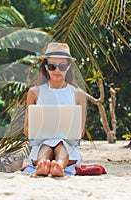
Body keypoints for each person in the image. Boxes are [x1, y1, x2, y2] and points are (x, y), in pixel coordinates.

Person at [23, 42, 87, 177]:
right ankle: (43, 164)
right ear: (46, 66)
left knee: (60, 143)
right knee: (47, 144)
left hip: (68, 146)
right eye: (52, 66)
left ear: (69, 66)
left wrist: (61, 134)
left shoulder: (78, 94)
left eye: (62, 66)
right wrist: (42, 131)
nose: (57, 70)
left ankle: (58, 166)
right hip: (41, 144)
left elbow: (80, 132)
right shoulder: (34, 92)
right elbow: (27, 129)